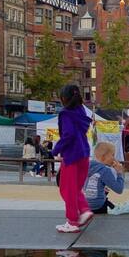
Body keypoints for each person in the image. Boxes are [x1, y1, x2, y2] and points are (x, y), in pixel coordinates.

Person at [54, 85, 94, 232]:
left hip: (71, 154)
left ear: (64, 98)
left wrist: (56, 149)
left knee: (67, 189)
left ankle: (72, 220)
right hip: (84, 153)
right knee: (76, 188)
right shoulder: (81, 111)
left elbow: (68, 134)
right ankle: (84, 210)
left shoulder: (65, 114)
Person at [84, 142, 126, 214]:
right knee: (104, 197)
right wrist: (119, 172)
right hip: (97, 206)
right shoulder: (105, 170)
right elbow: (119, 189)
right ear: (104, 156)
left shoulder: (86, 166)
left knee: (104, 191)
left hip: (84, 205)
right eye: (112, 155)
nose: (114, 158)